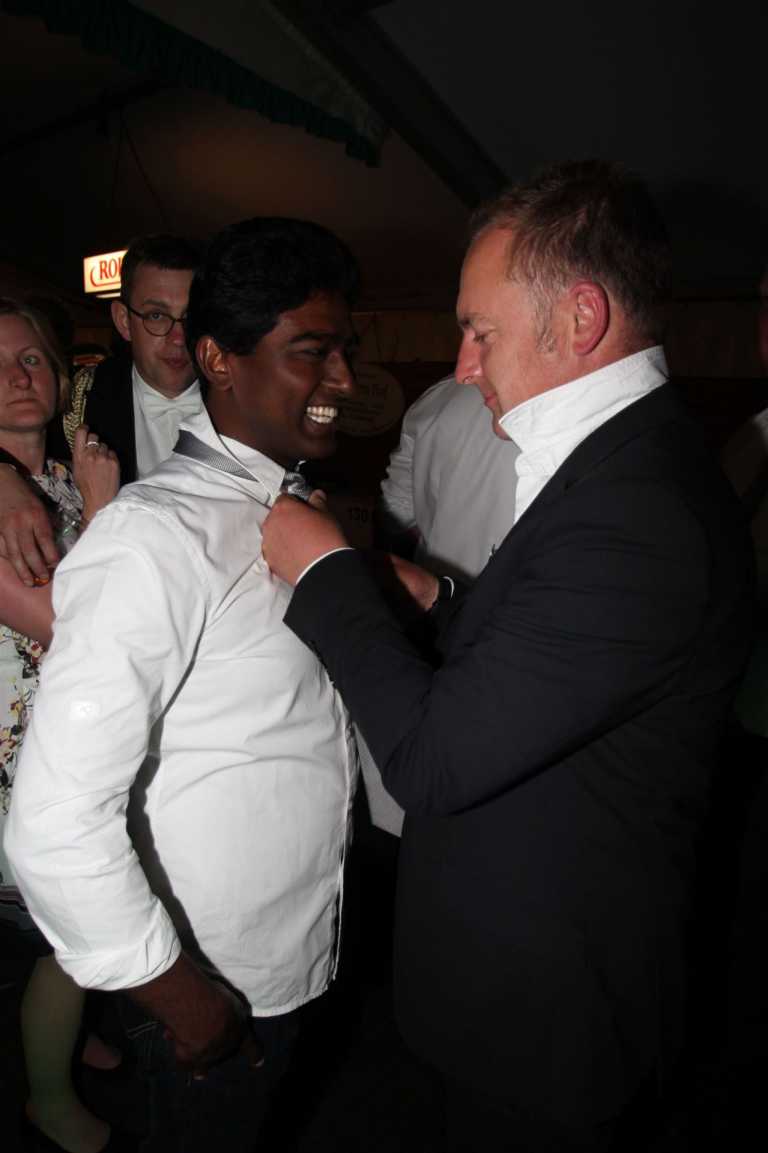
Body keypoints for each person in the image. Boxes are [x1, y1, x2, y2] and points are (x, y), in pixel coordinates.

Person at [261, 160, 755, 1151]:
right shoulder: (624, 459)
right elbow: (565, 661)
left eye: (480, 331)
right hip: (524, 986)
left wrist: (326, 573)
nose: (462, 366)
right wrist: (441, 598)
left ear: (579, 319)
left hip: (549, 1024)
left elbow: (432, 760)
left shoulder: (636, 510)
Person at [5, 218, 360, 1152]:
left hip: (291, 951)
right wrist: (182, 998)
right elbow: (54, 822)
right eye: (312, 352)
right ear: (219, 360)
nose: (343, 381)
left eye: (344, 351)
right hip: (213, 978)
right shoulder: (155, 535)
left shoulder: (291, 507)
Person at [0, 298, 121, 1153]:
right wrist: (106, 509)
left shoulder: (64, 474)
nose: (17, 376)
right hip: (21, 749)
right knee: (65, 928)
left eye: (31, 358)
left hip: (72, 729)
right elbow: (70, 626)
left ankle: (67, 1032)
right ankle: (47, 1095)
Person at [0, 234, 201, 587]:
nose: (178, 337)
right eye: (156, 316)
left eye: (191, 317)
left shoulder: (245, 398)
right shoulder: (81, 399)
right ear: (123, 320)